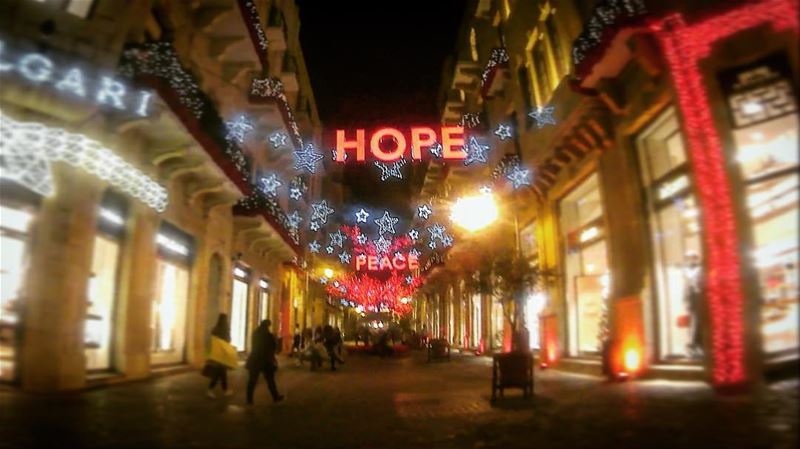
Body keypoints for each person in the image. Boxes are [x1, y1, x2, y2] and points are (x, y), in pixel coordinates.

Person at [245, 320, 284, 405]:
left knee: (252, 380)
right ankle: (275, 397)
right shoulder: (268, 335)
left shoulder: (255, 333)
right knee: (270, 380)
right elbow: (273, 348)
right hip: (265, 361)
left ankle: (249, 399)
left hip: (255, 359)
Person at [206, 314, 233, 398]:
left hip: (216, 353)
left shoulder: (215, 329)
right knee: (219, 373)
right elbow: (228, 340)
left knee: (222, 373)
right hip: (222, 354)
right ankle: (211, 389)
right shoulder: (225, 330)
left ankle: (224, 390)